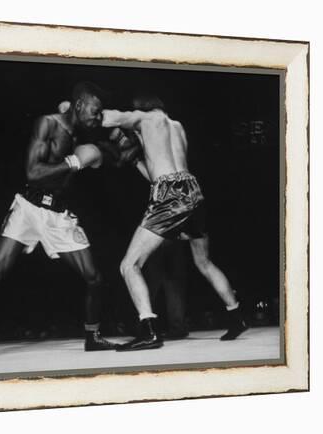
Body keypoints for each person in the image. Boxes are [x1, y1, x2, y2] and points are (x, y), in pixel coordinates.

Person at [0, 82, 117, 368]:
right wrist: (74, 162)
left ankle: (92, 337)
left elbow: (105, 132)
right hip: (28, 208)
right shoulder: (47, 124)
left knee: (94, 278)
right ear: (79, 104)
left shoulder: (79, 129)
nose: (98, 116)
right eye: (95, 110)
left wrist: (109, 139)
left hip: (57, 215)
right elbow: (33, 172)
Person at [101, 94, 248, 351]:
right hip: (193, 190)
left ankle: (148, 331)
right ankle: (237, 317)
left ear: (141, 108)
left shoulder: (143, 118)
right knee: (204, 262)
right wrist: (135, 159)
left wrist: (73, 108)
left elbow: (104, 117)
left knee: (129, 265)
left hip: (170, 194)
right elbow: (161, 170)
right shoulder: (177, 127)